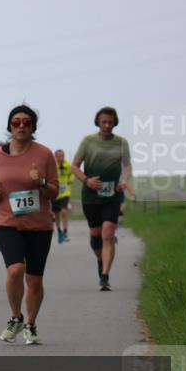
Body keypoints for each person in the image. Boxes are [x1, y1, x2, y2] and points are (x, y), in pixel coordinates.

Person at [0, 105, 58, 345]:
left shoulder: (44, 154)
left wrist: (42, 182)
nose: (21, 126)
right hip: (7, 222)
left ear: (34, 127)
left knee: (34, 279)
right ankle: (15, 317)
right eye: (16, 122)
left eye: (27, 122)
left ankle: (31, 324)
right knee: (15, 270)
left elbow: (54, 192)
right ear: (9, 126)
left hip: (39, 225)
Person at [71, 106, 131, 291]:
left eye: (110, 123)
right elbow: (74, 166)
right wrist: (87, 180)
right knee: (96, 237)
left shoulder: (121, 142)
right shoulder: (88, 141)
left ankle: (105, 276)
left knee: (108, 232)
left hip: (113, 194)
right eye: (103, 122)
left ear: (115, 123)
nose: (106, 126)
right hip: (91, 195)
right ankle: (100, 259)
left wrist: (124, 180)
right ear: (98, 122)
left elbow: (127, 166)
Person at [52, 149, 72, 243]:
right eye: (59, 156)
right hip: (55, 193)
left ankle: (65, 232)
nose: (61, 158)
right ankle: (59, 231)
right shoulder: (52, 166)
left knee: (64, 211)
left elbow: (72, 174)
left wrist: (71, 179)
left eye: (62, 156)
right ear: (55, 157)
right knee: (56, 214)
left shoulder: (68, 165)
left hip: (65, 192)